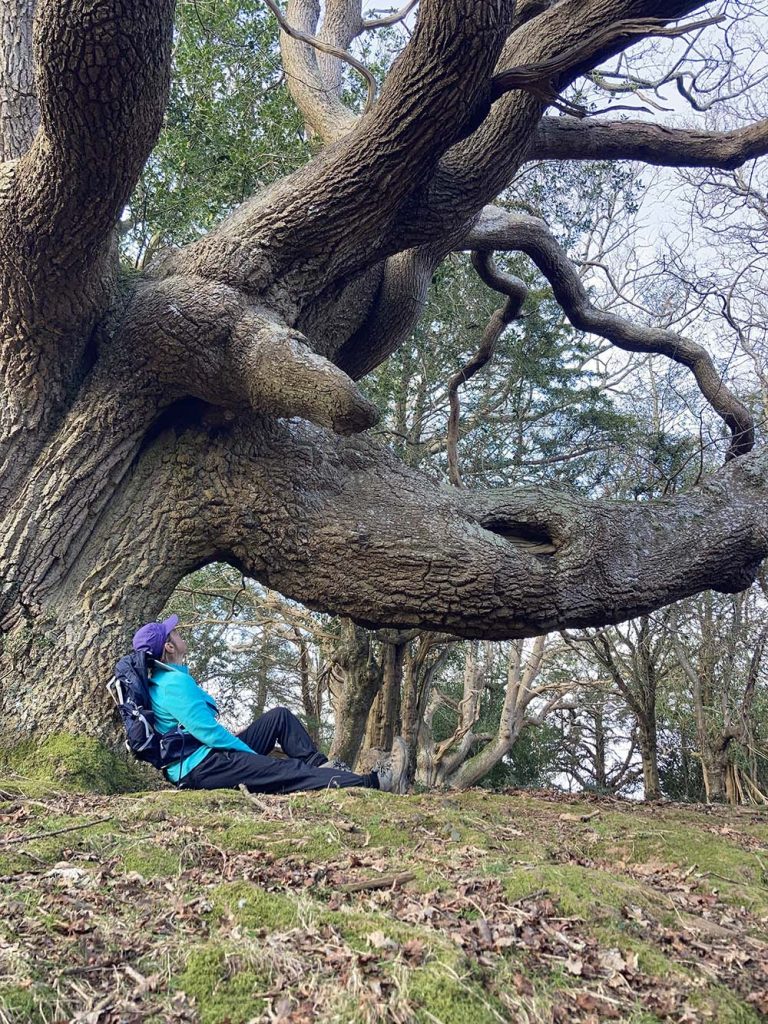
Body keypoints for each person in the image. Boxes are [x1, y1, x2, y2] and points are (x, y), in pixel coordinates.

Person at [131, 615, 409, 795]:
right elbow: (210, 734)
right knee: (289, 772)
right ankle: (376, 783)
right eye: (174, 633)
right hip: (200, 767)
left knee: (279, 717)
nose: (180, 634)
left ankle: (323, 766)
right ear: (168, 647)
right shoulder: (173, 685)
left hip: (203, 756)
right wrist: (253, 757)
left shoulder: (168, 680)